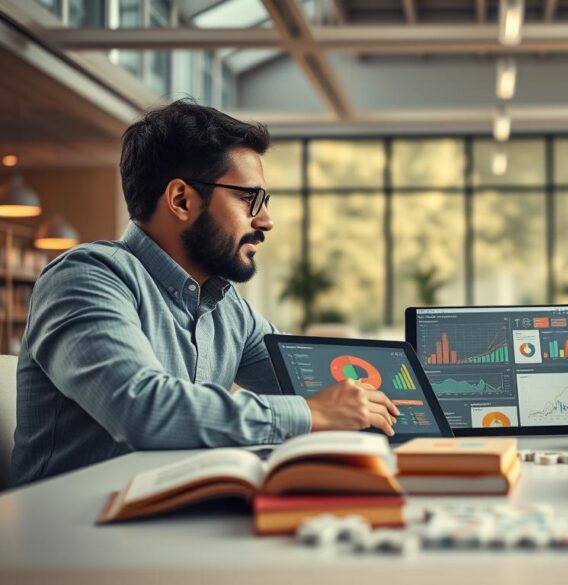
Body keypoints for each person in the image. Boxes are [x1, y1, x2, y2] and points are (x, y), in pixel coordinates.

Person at [11, 100, 399, 486]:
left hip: (173, 520)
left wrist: (442, 403)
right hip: (69, 530)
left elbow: (321, 386)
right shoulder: (85, 278)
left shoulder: (228, 309)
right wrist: (310, 414)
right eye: (250, 199)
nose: (266, 220)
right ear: (181, 200)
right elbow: (143, 410)